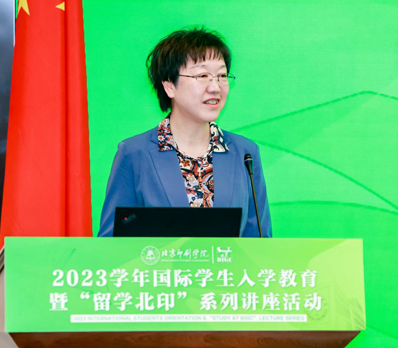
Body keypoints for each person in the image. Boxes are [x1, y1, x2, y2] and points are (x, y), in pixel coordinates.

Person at [98, 28, 271, 237]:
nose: (215, 87)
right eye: (202, 75)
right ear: (169, 86)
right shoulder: (135, 153)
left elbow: (259, 239)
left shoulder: (245, 153)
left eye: (222, 75)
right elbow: (112, 240)